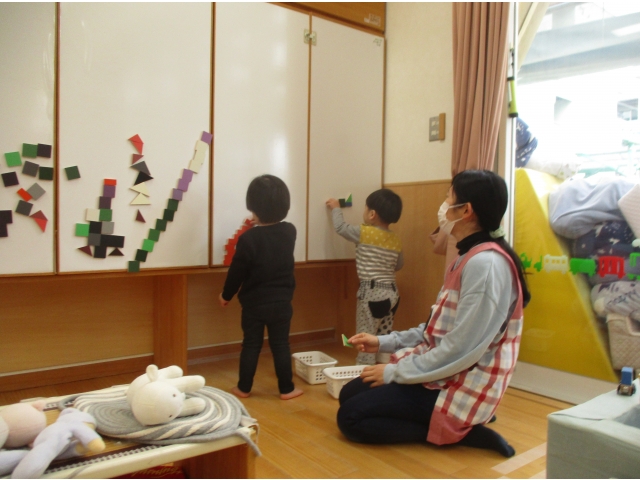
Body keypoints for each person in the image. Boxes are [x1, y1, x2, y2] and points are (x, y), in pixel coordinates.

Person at [337, 169, 531, 458]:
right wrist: (382, 342)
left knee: (350, 418)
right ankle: (448, 425)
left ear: (466, 210)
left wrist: (394, 372)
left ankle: (460, 431)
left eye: (448, 199)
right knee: (349, 394)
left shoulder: (486, 265)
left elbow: (460, 350)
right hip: (442, 370)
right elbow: (433, 328)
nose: (443, 207)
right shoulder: (467, 257)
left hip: (460, 384)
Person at [219, 174, 303, 400]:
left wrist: (226, 295)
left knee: (251, 345)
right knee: (281, 345)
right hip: (282, 303)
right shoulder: (290, 232)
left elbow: (236, 272)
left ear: (254, 209)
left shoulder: (248, 240)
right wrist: (258, 222)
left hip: (254, 304)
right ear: (284, 206)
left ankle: (243, 388)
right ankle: (287, 389)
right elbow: (271, 235)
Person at [326, 189, 404, 365]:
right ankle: (383, 370)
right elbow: (399, 265)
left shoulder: (364, 232)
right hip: (392, 294)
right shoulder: (396, 239)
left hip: (372, 292)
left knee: (365, 337)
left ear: (372, 214)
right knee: (383, 336)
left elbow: (340, 228)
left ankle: (364, 372)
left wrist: (336, 208)